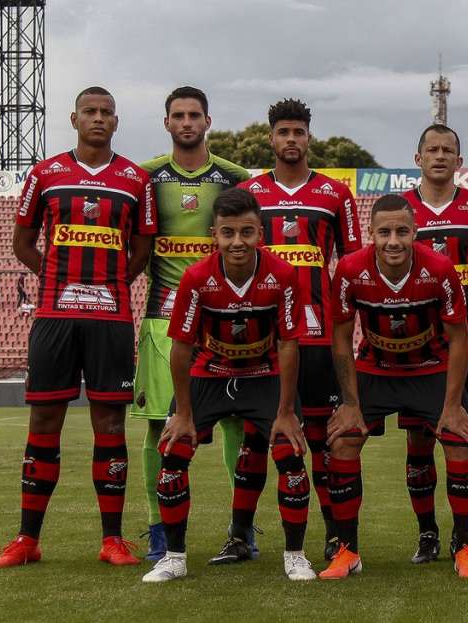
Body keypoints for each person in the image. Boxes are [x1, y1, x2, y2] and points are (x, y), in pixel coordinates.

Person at [0, 86, 155, 569]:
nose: (98, 118)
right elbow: (22, 242)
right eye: (90, 111)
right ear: (74, 118)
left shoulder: (135, 180)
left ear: (116, 121)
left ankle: (113, 540)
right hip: (54, 318)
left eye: (106, 112)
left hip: (110, 320)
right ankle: (27, 539)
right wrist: (59, 278)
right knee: (44, 421)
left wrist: (106, 284)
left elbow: (142, 250)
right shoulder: (45, 173)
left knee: (109, 423)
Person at [142, 188, 312, 583]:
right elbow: (182, 348)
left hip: (263, 375)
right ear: (214, 236)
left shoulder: (283, 275)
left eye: (247, 232)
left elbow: (289, 344)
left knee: (289, 452)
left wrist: (286, 413)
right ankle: (173, 557)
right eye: (228, 232)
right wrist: (183, 413)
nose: (238, 241)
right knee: (174, 448)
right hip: (210, 374)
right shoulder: (197, 277)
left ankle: (295, 554)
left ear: (261, 235)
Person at [323, 194, 468, 579]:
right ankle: (348, 551)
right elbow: (342, 337)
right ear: (371, 234)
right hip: (377, 368)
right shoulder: (349, 269)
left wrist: (450, 407)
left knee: (460, 443)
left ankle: (464, 548)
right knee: (343, 439)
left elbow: (460, 339)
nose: (392, 240)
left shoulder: (441, 269)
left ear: (414, 232)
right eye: (384, 232)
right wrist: (349, 402)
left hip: (431, 368)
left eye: (400, 231)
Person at [238, 98, 362, 563]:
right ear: (271, 138)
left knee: (326, 439)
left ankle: (337, 537)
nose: (291, 139)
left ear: (309, 138)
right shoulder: (250, 193)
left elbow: (352, 265)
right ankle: (239, 535)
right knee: (256, 438)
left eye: (299, 132)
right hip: (263, 338)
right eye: (283, 132)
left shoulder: (334, 195)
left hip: (319, 335)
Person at [132, 86, 252, 562]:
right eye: (178, 115)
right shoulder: (145, 177)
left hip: (223, 318)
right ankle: (159, 527)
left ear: (208, 121)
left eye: (194, 115)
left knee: (237, 425)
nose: (186, 122)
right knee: (160, 425)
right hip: (163, 318)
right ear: (167, 123)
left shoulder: (235, 177)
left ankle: (240, 529)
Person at [402, 124, 468, 563]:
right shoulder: (402, 211)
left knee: (467, 440)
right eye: (432, 149)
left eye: (448, 150)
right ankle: (427, 532)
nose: (440, 156)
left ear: (459, 161)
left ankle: (462, 537)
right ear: (419, 158)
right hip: (415, 343)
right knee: (418, 444)